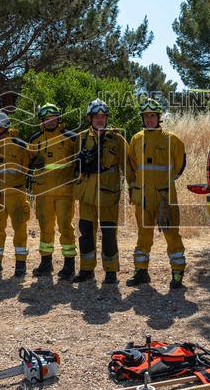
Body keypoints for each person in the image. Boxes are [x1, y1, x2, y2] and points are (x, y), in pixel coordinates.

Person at [126, 98, 188, 289]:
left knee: (171, 235)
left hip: (164, 199)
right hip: (143, 198)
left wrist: (164, 184)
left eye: (153, 115)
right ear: (143, 118)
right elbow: (132, 166)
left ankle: (177, 273)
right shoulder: (136, 139)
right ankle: (141, 272)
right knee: (143, 235)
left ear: (158, 117)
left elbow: (179, 166)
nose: (150, 119)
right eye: (146, 116)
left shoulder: (172, 140)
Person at [72, 99, 127, 284]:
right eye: (96, 116)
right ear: (90, 118)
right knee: (86, 232)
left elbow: (129, 167)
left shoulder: (117, 139)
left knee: (109, 233)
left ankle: (111, 271)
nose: (100, 120)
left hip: (108, 196)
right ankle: (87, 270)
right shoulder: (81, 138)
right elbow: (74, 166)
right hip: (86, 196)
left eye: (103, 116)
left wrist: (136, 190)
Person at [27, 103, 79, 277]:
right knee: (45, 228)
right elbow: (27, 162)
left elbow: (80, 160)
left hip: (65, 192)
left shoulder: (71, 138)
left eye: (53, 118)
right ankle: (46, 263)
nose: (50, 122)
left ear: (59, 118)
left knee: (65, 227)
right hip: (43, 193)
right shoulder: (35, 140)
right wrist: (32, 164)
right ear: (42, 121)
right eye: (46, 119)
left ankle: (69, 265)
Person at [0, 110, 31, 276]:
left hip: (15, 194)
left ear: (1, 128)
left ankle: (20, 264)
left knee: (19, 228)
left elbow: (27, 167)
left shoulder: (19, 145)